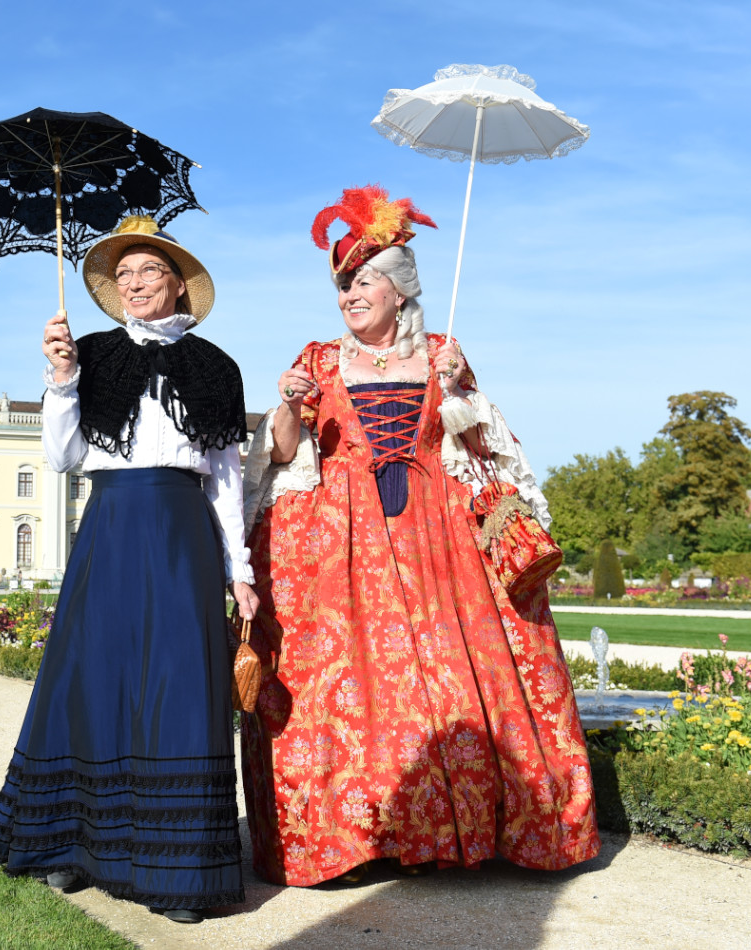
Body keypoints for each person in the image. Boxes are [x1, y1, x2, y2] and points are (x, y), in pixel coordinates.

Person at [240, 186, 600, 887]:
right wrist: (287, 406)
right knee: (351, 684)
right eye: (343, 281)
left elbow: (483, 448)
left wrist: (459, 392)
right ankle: (355, 840)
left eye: (363, 279)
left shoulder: (444, 352)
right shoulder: (317, 359)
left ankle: (490, 828)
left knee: (463, 677)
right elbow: (283, 455)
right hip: (344, 539)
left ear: (400, 290)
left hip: (440, 536)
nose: (350, 292)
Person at [0, 215, 257, 923]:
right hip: (110, 524)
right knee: (94, 680)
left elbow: (227, 478)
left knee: (180, 688)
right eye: (124, 274)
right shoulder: (90, 354)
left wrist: (240, 568)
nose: (135, 284)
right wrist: (63, 379)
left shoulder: (217, 367)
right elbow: (61, 457)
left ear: (177, 285)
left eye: (149, 272)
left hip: (183, 531)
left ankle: (179, 871)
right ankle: (73, 848)